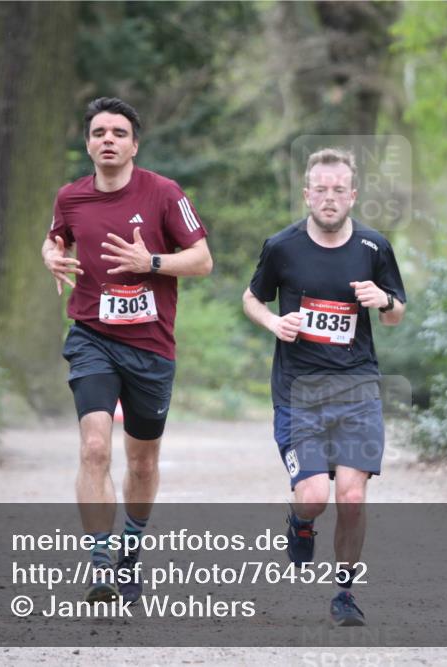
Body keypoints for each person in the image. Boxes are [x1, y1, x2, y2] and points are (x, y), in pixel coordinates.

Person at [41, 97, 212, 603]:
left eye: (118, 132)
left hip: (151, 346)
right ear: (89, 144)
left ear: (134, 144)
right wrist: (51, 255)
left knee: (141, 462)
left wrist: (151, 262)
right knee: (95, 446)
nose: (108, 139)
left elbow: (202, 261)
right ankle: (100, 564)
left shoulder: (164, 193)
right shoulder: (70, 197)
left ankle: (131, 554)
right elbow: (55, 239)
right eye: (98, 132)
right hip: (92, 335)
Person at [242, 148, 406, 626]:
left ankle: (345, 593)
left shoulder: (374, 248)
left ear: (352, 195)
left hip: (357, 389)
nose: (330, 198)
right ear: (306, 194)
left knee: (352, 498)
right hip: (300, 392)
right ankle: (300, 521)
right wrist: (273, 322)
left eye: (339, 190)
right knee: (314, 495)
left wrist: (385, 301)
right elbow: (251, 298)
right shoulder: (282, 247)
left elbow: (396, 316)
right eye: (321, 189)